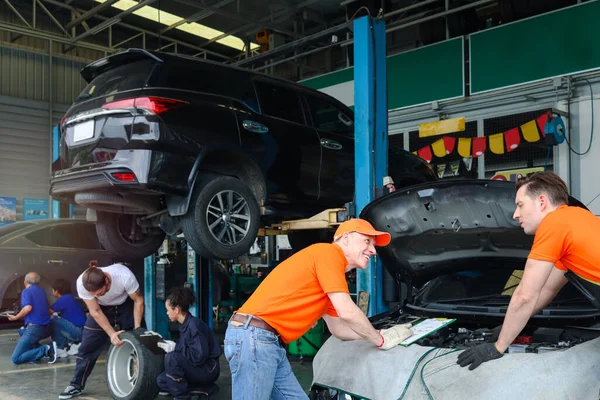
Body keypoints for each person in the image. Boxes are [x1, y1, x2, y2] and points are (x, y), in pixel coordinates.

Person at [224, 218, 414, 399]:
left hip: (266, 342)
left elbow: (338, 328)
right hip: (255, 337)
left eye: (373, 245)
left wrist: (379, 332)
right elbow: (348, 312)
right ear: (345, 238)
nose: (373, 250)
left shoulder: (331, 277)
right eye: (367, 241)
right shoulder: (328, 254)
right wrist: (380, 340)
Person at [457, 171, 600, 370]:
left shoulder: (553, 224)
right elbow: (547, 290)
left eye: (520, 205)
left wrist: (498, 347)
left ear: (541, 202)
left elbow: (525, 295)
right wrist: (508, 328)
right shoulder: (577, 218)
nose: (515, 214)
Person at [59, 261, 144, 399]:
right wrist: (111, 334)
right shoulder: (82, 283)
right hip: (102, 310)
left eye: (100, 293)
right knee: (87, 348)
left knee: (141, 342)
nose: (97, 296)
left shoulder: (124, 275)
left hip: (126, 305)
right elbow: (95, 311)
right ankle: (75, 385)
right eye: (95, 295)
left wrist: (137, 328)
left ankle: (150, 383)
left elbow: (138, 300)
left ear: (107, 280)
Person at [157, 286, 222, 399]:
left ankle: (182, 397)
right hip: (198, 367)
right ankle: (205, 389)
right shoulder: (184, 325)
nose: (167, 313)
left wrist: (176, 347)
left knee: (171, 358)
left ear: (176, 310)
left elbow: (198, 356)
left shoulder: (194, 325)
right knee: (161, 381)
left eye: (168, 310)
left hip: (208, 369)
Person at [9, 272, 57, 364]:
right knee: (22, 332)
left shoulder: (26, 291)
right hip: (46, 327)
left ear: (24, 282)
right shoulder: (42, 291)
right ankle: (39, 351)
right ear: (38, 282)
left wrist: (16, 317)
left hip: (34, 328)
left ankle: (46, 350)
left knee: (16, 358)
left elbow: (28, 308)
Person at [49, 278, 86, 358]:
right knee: (57, 319)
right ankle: (70, 345)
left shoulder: (64, 299)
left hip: (77, 332)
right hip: (81, 332)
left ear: (56, 290)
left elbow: (49, 311)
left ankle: (60, 348)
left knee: (53, 319)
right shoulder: (70, 298)